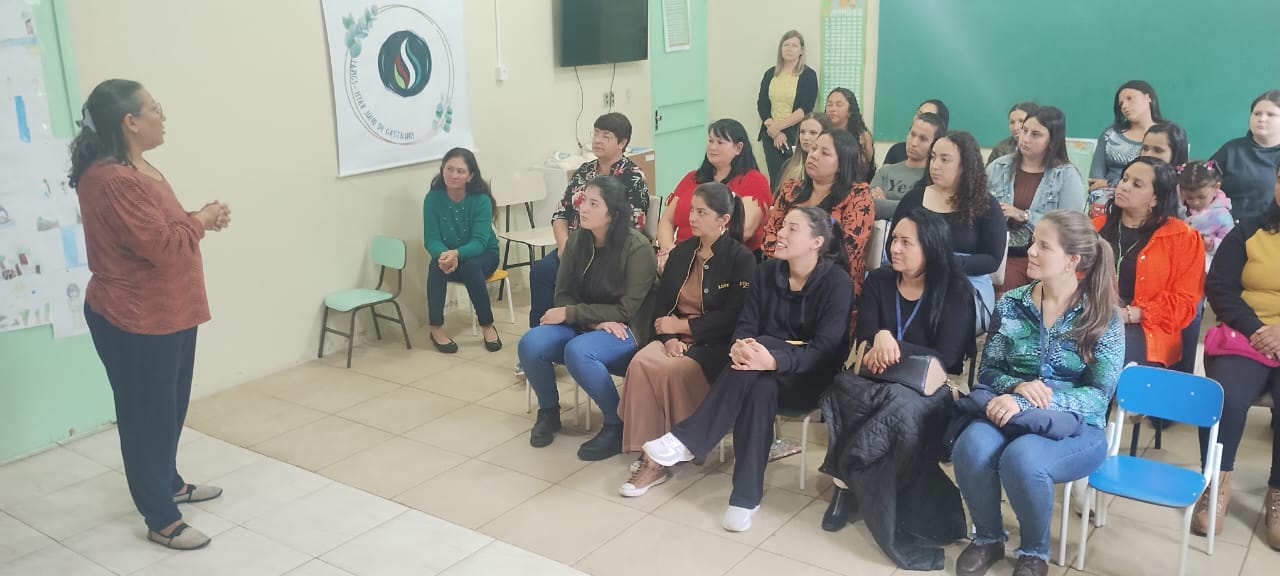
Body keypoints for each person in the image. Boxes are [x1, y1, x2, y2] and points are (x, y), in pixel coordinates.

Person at [72, 79, 231, 550]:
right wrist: (200, 220)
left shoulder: (136, 167)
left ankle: (169, 482)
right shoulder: (112, 178)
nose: (162, 116)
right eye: (154, 108)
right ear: (131, 122)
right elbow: (161, 244)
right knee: (146, 416)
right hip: (135, 318)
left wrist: (197, 218)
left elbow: (158, 227)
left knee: (170, 408)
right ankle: (161, 517)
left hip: (171, 310)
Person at [642, 207, 854, 533]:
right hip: (757, 371)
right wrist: (740, 347)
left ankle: (689, 440)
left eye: (792, 229)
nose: (780, 233)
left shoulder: (837, 283)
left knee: (760, 356)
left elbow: (823, 350)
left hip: (809, 378)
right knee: (758, 386)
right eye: (782, 226)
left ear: (816, 242)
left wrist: (773, 359)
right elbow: (745, 325)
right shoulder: (766, 271)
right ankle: (744, 498)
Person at [952, 209, 1124, 576]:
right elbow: (988, 372)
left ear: (1072, 260)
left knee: (1024, 458)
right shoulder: (1011, 304)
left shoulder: (1102, 316)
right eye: (1033, 242)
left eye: (1043, 246)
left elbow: (1099, 395)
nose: (1030, 251)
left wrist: (1029, 399)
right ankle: (988, 538)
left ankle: (1034, 553)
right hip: (1009, 412)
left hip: (1078, 428)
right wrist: (1016, 386)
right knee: (971, 446)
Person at [819, 209, 976, 559]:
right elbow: (866, 333)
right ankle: (847, 487)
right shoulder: (879, 280)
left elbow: (948, 357)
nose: (895, 248)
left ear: (931, 248)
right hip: (878, 377)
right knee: (843, 390)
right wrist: (879, 337)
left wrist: (894, 346)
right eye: (893, 240)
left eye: (906, 242)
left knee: (896, 408)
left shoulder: (955, 290)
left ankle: (850, 486)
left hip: (929, 389)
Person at [618, 183, 756, 497]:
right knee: (641, 362)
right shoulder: (682, 252)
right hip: (675, 335)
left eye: (701, 212)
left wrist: (685, 326)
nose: (691, 218)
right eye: (691, 210)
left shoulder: (741, 259)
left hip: (716, 344)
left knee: (672, 370)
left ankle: (661, 459)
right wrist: (668, 337)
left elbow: (735, 317)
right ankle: (649, 450)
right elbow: (661, 306)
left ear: (723, 219)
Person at [518, 176, 658, 461]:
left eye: (594, 204)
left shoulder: (638, 248)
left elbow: (626, 311)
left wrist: (574, 314)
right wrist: (590, 321)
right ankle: (549, 412)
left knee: (578, 351)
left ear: (613, 213)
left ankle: (616, 423)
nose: (583, 208)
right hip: (588, 323)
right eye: (584, 201)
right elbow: (563, 294)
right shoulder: (578, 241)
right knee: (531, 343)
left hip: (626, 330)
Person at [523, 113, 650, 377]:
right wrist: (565, 246)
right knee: (542, 272)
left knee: (592, 282)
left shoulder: (632, 176)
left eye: (606, 136)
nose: (598, 140)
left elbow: (633, 224)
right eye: (596, 133)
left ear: (622, 142)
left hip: (608, 248)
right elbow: (561, 213)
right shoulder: (584, 171)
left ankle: (576, 327)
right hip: (577, 245)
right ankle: (545, 336)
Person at [1197, 164, 1280, 548]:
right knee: (1224, 396)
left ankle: (1277, 492)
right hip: (1248, 337)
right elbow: (1220, 287)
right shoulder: (1249, 230)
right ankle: (1216, 482)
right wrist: (1258, 329)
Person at [1094, 157, 1204, 370]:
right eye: (1125, 179)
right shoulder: (1094, 228)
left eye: (1137, 184)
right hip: (1094, 317)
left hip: (1146, 326)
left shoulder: (1183, 237)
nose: (1124, 186)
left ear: (1155, 198)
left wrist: (1130, 314)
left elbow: (1184, 304)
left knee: (1112, 362)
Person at [893, 131, 1007, 331]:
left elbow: (992, 259)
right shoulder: (913, 198)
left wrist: (944, 262)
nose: (935, 165)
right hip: (914, 276)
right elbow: (892, 244)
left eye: (945, 160)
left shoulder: (985, 205)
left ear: (965, 166)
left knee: (943, 314)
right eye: (933, 157)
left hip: (964, 280)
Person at [762, 129, 875, 331]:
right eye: (813, 149)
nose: (813, 155)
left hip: (831, 287)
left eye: (824, 153)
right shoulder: (790, 190)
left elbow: (846, 250)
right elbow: (769, 237)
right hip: (785, 278)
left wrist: (796, 260)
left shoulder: (858, 196)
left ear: (842, 164)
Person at [986, 106, 1086, 292]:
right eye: (1024, 131)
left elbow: (1071, 228)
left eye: (1035, 134)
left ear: (1052, 141)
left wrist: (1024, 216)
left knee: (1003, 281)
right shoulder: (998, 167)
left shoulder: (1066, 176)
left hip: (1038, 257)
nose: (1025, 139)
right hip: (996, 250)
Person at [655, 119, 771, 267]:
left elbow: (743, 230)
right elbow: (666, 220)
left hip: (724, 261)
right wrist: (668, 250)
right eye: (710, 141)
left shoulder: (753, 180)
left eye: (720, 142)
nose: (712, 147)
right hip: (680, 256)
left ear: (738, 148)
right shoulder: (692, 177)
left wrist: (688, 256)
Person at [422, 147, 501, 353]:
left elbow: (479, 242)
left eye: (460, 171)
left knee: (470, 267)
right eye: (449, 169)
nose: (454, 175)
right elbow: (431, 239)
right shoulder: (433, 199)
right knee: (435, 266)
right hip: (449, 256)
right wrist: (444, 256)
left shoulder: (481, 200)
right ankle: (436, 329)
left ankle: (488, 326)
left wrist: (456, 254)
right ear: (442, 169)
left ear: (470, 175)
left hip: (484, 255)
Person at [1170, 160, 1234, 376]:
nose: (1195, 202)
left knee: (1191, 316)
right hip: (1173, 270)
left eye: (1201, 197)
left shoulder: (1221, 215)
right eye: (1189, 197)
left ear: (1216, 189)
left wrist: (1209, 243)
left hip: (1200, 275)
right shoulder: (1176, 208)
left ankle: (1185, 372)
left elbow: (1228, 245)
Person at [756, 30, 819, 190]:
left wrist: (779, 127)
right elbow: (762, 104)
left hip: (796, 134)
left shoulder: (808, 75)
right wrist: (774, 130)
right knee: (776, 179)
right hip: (771, 134)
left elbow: (805, 109)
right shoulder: (770, 74)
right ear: (780, 49)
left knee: (796, 178)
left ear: (801, 50)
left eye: (794, 45)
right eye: (786, 44)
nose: (789, 48)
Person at [1088, 122, 1189, 218]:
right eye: (1145, 148)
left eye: (1157, 150)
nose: (1147, 155)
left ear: (1176, 154)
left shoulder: (1186, 191)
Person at [1211, 89, 1280, 220]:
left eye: (1270, 115)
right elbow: (1202, 184)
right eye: (1257, 113)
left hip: (1271, 227)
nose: (1261, 119)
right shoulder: (1231, 149)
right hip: (1227, 225)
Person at [1088, 80, 1165, 191]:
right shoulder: (1110, 134)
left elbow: (1168, 178)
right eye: (1121, 104)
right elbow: (1095, 181)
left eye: (1130, 98)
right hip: (1107, 197)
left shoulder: (1167, 134)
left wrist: (1111, 184)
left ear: (1148, 97)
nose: (1124, 106)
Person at [871, 111, 946, 217]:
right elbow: (871, 206)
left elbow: (926, 212)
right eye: (912, 134)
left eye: (923, 139)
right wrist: (911, 206)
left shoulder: (934, 177)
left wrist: (886, 202)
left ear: (935, 143)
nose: (914, 143)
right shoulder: (885, 172)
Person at [824, 87, 876, 180]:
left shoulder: (863, 136)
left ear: (850, 111)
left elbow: (866, 170)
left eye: (838, 105)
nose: (832, 109)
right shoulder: (822, 134)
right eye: (829, 104)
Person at [774, 112, 833, 193]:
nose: (806, 137)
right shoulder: (787, 165)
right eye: (802, 132)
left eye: (813, 133)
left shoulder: (832, 169)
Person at [883, 99, 950, 165]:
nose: (922, 119)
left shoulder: (941, 163)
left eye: (928, 116)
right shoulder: (896, 151)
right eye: (919, 114)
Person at [988, 101, 1039, 166]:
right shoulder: (1000, 149)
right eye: (1012, 122)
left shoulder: (1046, 147)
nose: (1015, 127)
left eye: (1021, 121)